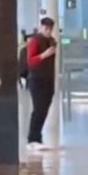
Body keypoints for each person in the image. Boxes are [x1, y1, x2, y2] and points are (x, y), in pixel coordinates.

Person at [26, 18, 57, 150]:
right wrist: (43, 55)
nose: (48, 31)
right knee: (38, 109)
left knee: (44, 110)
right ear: (41, 27)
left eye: (50, 29)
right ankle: (32, 138)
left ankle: (37, 137)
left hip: (48, 80)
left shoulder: (52, 42)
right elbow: (31, 61)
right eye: (46, 29)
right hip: (37, 80)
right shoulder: (35, 41)